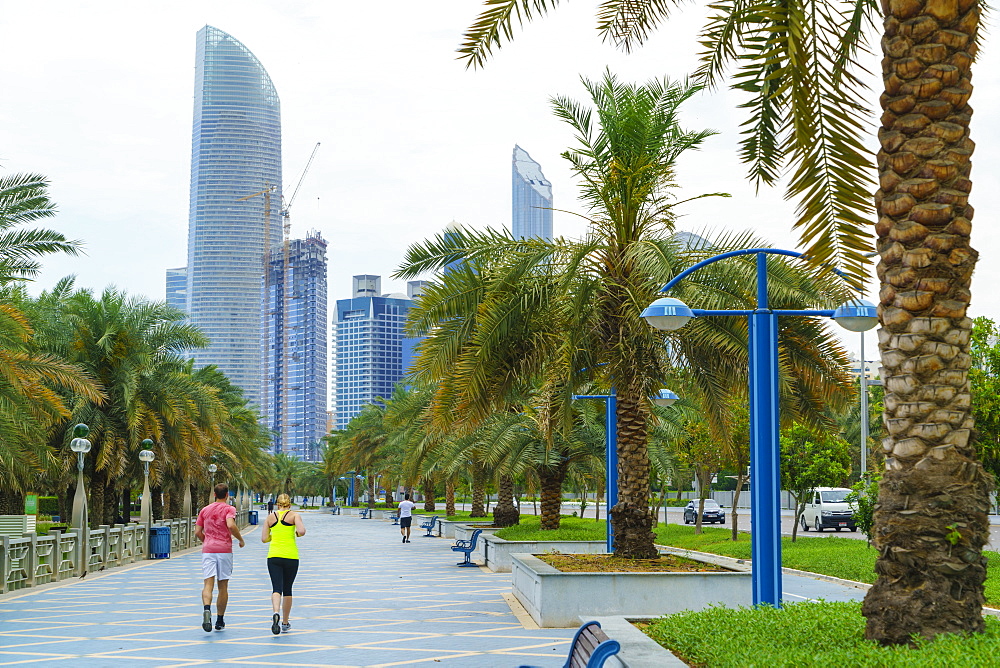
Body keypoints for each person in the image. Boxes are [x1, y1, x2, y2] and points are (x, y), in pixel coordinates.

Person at [195, 483, 245, 632]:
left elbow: (197, 532)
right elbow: (230, 525)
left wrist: (208, 542)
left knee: (207, 584)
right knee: (222, 586)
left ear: (215, 494)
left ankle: (206, 609)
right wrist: (240, 539)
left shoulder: (205, 510)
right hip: (224, 550)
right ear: (227, 495)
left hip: (208, 550)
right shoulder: (229, 509)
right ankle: (220, 620)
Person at [262, 493, 306, 634]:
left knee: (276, 588)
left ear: (277, 504)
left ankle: (276, 612)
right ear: (289, 504)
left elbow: (264, 538)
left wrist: (272, 537)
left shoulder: (270, 517)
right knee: (287, 589)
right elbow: (301, 531)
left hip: (273, 556)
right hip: (291, 556)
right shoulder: (294, 516)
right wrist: (295, 534)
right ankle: (285, 622)